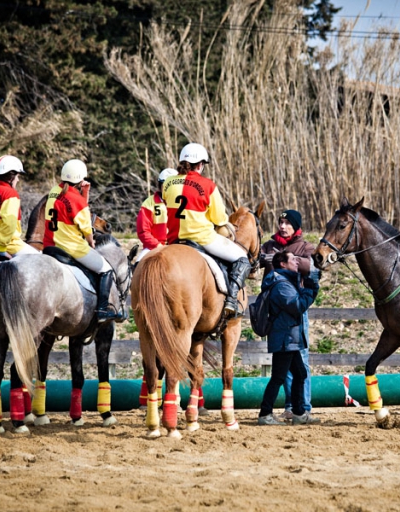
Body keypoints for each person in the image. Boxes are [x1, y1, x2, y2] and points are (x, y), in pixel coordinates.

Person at [162, 143, 251, 316]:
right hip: (202, 239)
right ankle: (232, 300)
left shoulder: (167, 183)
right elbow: (219, 218)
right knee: (242, 259)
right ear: (201, 164)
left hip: (172, 239)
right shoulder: (208, 185)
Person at [43, 159, 123, 322]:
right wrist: (91, 242)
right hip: (72, 248)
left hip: (50, 245)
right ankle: (102, 310)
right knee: (106, 269)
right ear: (81, 179)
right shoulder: (77, 200)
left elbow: (73, 210)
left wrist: (84, 193)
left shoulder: (53, 191)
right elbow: (86, 228)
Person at [260, 209, 315, 420]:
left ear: (296, 226)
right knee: (283, 373)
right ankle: (288, 409)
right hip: (282, 311)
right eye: (280, 222)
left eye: (287, 223)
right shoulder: (268, 245)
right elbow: (254, 260)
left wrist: (293, 260)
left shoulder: (304, 246)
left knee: (300, 366)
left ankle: (302, 407)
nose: (282, 226)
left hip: (296, 308)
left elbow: (314, 264)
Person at [0, 155, 39, 260]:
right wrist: (2, 249)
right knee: (41, 259)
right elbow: (9, 224)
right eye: (18, 176)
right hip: (9, 246)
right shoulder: (10, 194)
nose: (18, 180)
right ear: (11, 177)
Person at [135, 167, 178, 262]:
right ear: (160, 185)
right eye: (166, 185)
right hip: (153, 248)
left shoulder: (183, 202)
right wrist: (158, 246)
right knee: (137, 266)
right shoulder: (149, 203)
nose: (169, 189)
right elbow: (143, 231)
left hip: (178, 246)